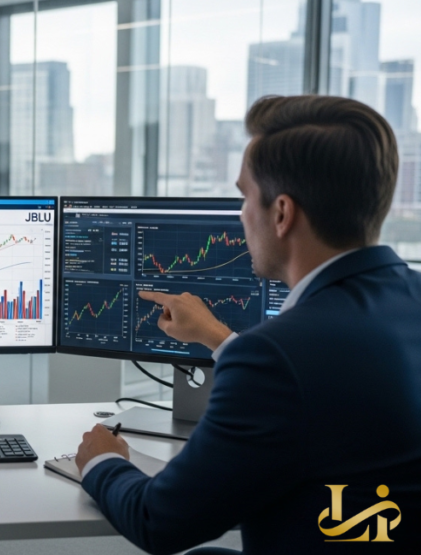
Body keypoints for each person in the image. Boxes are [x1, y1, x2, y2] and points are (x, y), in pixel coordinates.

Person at [74, 95, 421, 554]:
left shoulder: (276, 357)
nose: (240, 214)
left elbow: (159, 521)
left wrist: (103, 461)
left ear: (281, 214)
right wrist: (220, 338)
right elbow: (329, 389)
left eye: (244, 195)